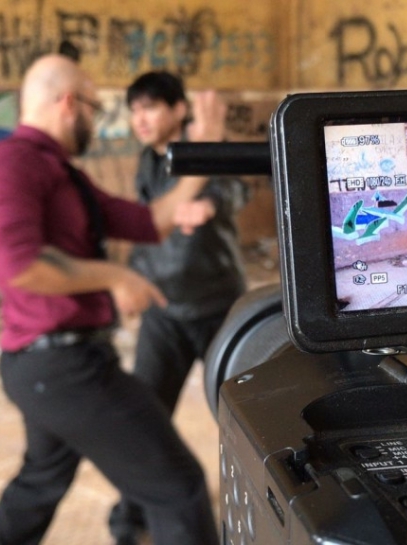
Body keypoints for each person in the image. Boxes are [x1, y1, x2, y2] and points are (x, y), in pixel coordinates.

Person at [0, 54, 219, 545]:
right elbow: (21, 266)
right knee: (178, 488)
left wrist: (205, 152)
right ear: (69, 103)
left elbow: (151, 221)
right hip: (64, 368)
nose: (97, 121)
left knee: (40, 481)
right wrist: (115, 276)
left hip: (51, 367)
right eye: (95, 108)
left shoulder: (63, 174)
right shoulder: (12, 163)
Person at [107, 70, 247, 544]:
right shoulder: (148, 160)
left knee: (243, 416)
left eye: (149, 107)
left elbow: (236, 188)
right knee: (145, 418)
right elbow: (149, 220)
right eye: (134, 110)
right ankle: (131, 517)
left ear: (179, 109)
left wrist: (209, 205)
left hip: (216, 306)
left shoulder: (208, 144)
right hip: (163, 307)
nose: (140, 119)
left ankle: (255, 510)